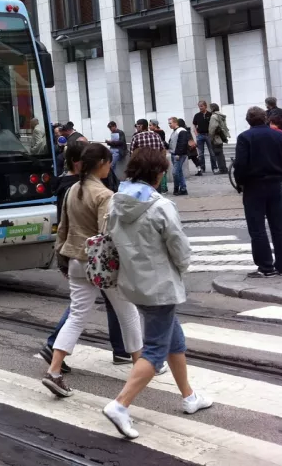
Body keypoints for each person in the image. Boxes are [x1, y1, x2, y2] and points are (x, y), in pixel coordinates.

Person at [102, 148, 212, 438]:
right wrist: (184, 266)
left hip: (133, 283)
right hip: (160, 286)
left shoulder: (116, 202)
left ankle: (189, 396)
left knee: (173, 338)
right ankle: (120, 404)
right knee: (154, 350)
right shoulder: (161, 206)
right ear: (157, 173)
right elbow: (178, 245)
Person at [39, 142, 157, 373]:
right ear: (101, 164)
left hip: (75, 260)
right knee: (129, 314)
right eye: (109, 163)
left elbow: (63, 227)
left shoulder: (73, 189)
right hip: (99, 265)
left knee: (76, 316)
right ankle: (140, 366)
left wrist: (61, 256)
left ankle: (53, 371)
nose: (110, 167)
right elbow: (109, 233)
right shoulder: (105, 195)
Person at [233, 107, 282, 277]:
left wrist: (240, 183)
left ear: (248, 120)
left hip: (254, 186)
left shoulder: (245, 137)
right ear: (265, 119)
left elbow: (240, 164)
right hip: (276, 185)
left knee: (257, 228)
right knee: (279, 227)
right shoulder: (279, 135)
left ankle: (266, 266)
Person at [167, 117, 191, 196]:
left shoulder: (181, 131)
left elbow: (182, 143)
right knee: (179, 172)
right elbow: (173, 143)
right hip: (175, 154)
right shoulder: (175, 132)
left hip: (178, 155)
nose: (169, 125)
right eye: (169, 123)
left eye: (170, 123)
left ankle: (177, 189)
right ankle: (183, 189)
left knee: (175, 172)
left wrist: (178, 154)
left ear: (175, 123)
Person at [191, 101, 217, 176]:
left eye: (202, 106)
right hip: (200, 135)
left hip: (208, 135)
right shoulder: (197, 115)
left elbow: (213, 125)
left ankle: (214, 168)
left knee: (212, 153)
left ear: (205, 106)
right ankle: (202, 168)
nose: (200, 107)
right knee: (201, 153)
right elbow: (194, 125)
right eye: (199, 106)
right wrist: (196, 134)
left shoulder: (210, 114)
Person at [207, 103, 230, 174]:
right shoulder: (220, 115)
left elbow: (212, 128)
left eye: (210, 108)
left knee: (218, 154)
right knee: (220, 153)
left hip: (216, 137)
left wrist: (210, 137)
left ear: (213, 108)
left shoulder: (214, 116)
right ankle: (224, 169)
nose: (209, 109)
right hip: (220, 136)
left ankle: (222, 169)